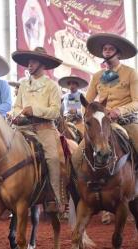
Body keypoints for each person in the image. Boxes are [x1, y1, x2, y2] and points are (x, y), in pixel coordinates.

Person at [71, 33, 138, 225]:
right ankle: (79, 194)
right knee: (76, 156)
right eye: (104, 49)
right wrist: (87, 113)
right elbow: (89, 100)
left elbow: (137, 101)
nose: (106, 51)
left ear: (118, 52)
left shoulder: (131, 73)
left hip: (125, 121)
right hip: (100, 122)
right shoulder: (97, 76)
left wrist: (119, 110)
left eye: (110, 49)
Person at [11, 47, 65, 212]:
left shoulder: (52, 86)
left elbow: (55, 112)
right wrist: (17, 115)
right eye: (28, 62)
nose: (29, 65)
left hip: (45, 128)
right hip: (24, 127)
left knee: (53, 158)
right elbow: (16, 107)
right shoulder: (22, 85)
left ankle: (57, 198)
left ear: (42, 64)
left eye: (33, 61)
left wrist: (34, 110)